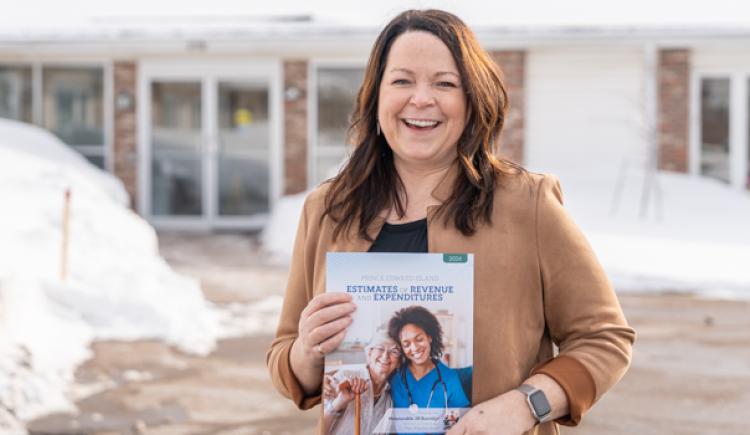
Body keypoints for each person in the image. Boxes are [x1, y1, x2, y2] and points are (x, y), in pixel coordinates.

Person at [267, 9, 635, 435]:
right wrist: (306, 353)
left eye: (444, 83)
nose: (421, 100)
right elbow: (285, 359)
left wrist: (525, 405)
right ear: (376, 97)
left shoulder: (527, 204)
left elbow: (604, 339)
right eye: (402, 81)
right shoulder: (328, 209)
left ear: (471, 98)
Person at [387, 306, 469, 434]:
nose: (414, 348)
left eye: (419, 339)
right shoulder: (395, 378)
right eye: (406, 344)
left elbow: (457, 426)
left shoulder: (449, 379)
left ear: (429, 337)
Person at [322, 331, 401, 435]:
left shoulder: (391, 396)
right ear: (369, 352)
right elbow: (318, 428)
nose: (385, 356)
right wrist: (339, 402)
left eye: (394, 351)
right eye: (380, 348)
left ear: (399, 362)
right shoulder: (344, 377)